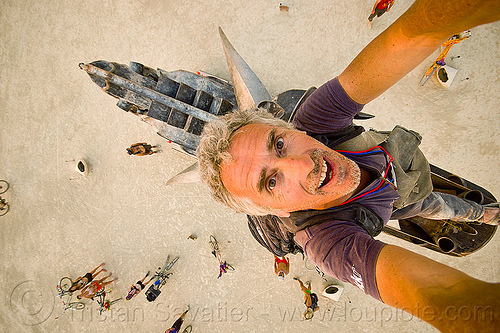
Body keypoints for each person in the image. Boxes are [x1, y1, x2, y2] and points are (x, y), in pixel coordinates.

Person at [196, 0, 500, 331]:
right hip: (404, 200)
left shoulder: (315, 121)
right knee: (433, 205)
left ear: (290, 129)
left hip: (402, 170)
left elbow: (414, 34)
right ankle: (483, 214)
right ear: (277, 211)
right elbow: (441, 296)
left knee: (433, 201)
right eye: (271, 182)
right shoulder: (327, 242)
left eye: (279, 144)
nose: (304, 165)